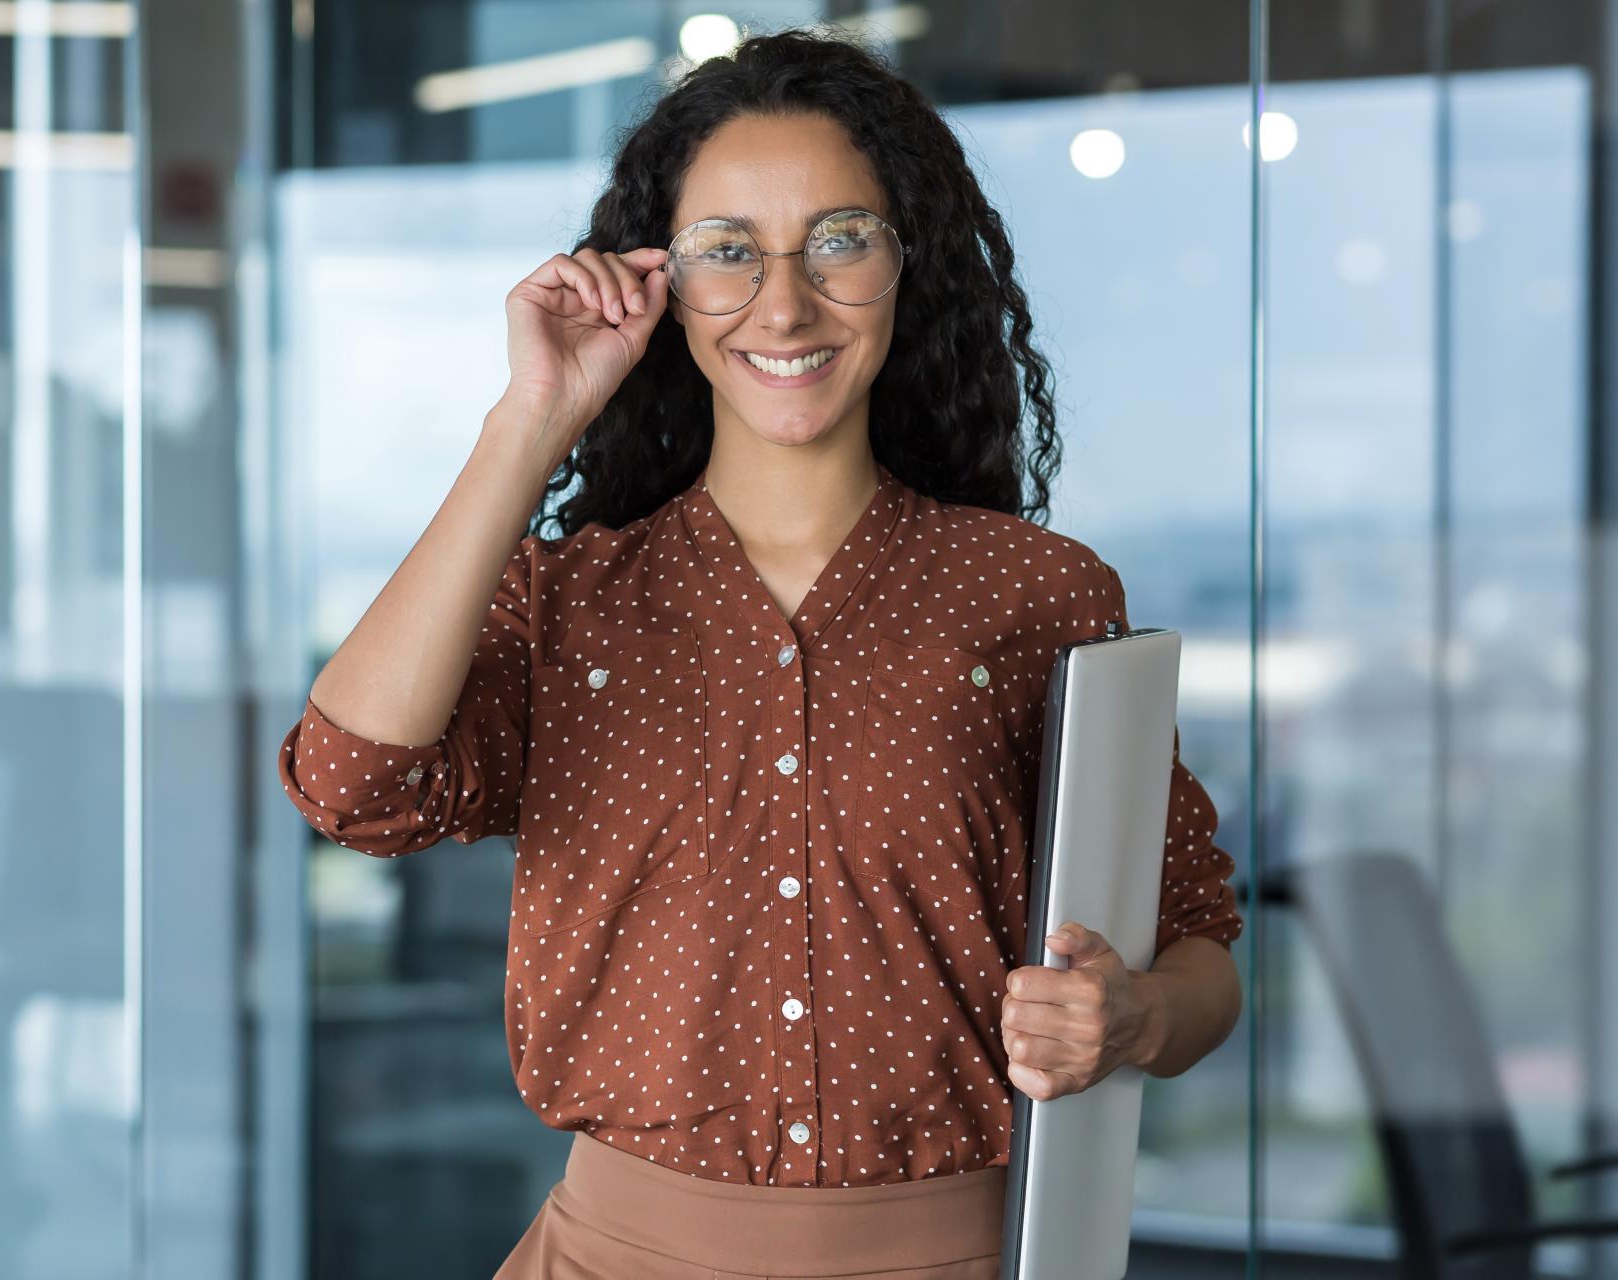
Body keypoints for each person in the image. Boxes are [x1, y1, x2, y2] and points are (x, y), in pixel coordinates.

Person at [277, 25, 1244, 1280]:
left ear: (907, 263)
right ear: (662, 282)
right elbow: (350, 784)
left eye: (838, 240)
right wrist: (529, 424)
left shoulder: (1031, 592)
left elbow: (1196, 943)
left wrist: (1132, 1017)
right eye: (726, 252)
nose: (784, 304)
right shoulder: (567, 605)